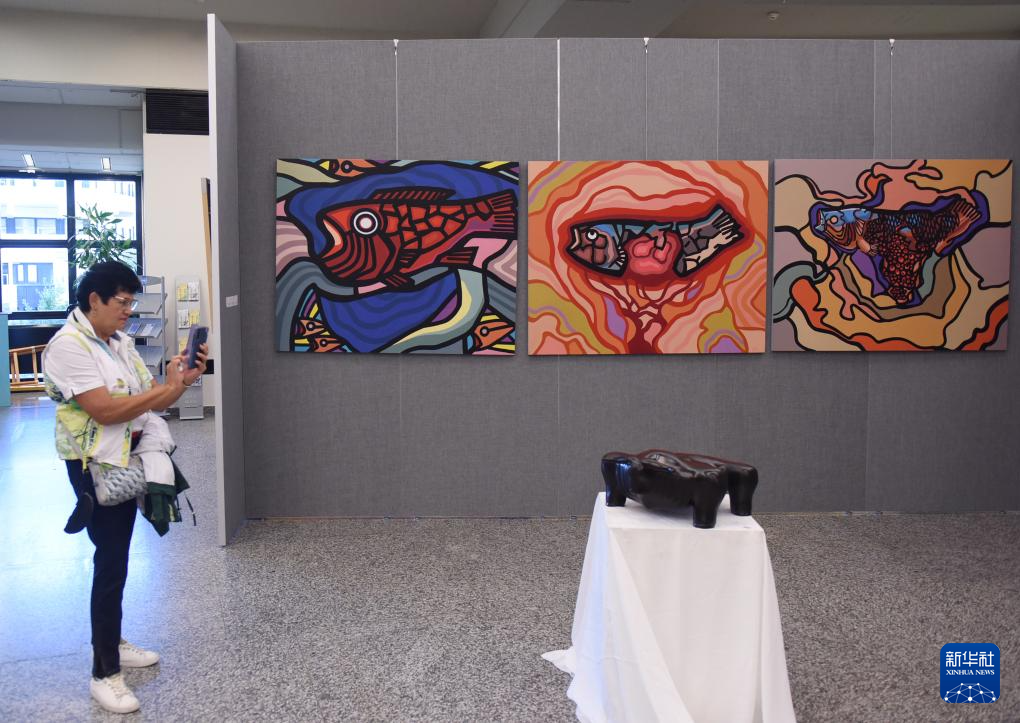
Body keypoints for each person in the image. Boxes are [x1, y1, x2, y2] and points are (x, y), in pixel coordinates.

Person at [41, 261, 208, 714]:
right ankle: (104, 673)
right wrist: (164, 389)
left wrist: (181, 381)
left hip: (128, 458)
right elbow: (106, 411)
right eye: (122, 302)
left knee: (117, 555)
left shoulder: (119, 342)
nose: (129, 311)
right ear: (93, 299)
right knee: (110, 561)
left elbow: (150, 398)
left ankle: (112, 640)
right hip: (94, 465)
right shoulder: (68, 346)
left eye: (132, 302)